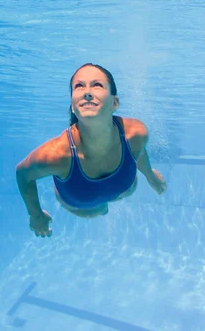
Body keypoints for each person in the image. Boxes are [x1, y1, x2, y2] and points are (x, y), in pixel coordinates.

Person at [16, 63, 167, 237]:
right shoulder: (57, 155)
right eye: (79, 86)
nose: (87, 92)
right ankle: (101, 209)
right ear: (72, 105)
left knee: (127, 190)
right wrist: (35, 215)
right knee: (97, 210)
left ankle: (105, 204)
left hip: (121, 188)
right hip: (80, 203)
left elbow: (136, 153)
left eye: (97, 85)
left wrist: (149, 175)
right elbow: (23, 173)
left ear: (114, 102)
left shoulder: (136, 133)